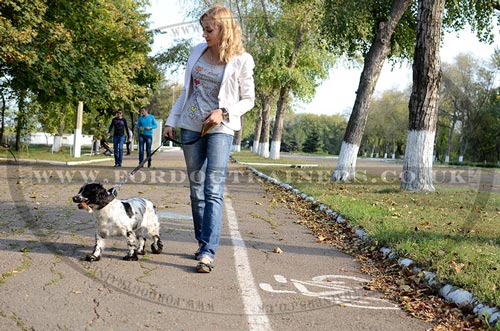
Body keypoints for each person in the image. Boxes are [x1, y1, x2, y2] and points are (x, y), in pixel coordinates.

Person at [163, 5, 255, 273]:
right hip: (190, 125)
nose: (204, 34)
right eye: (203, 29)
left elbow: (248, 99)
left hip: (220, 126)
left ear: (223, 30)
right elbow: (186, 91)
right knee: (196, 189)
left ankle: (207, 252)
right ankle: (202, 241)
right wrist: (171, 120)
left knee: (212, 190)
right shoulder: (196, 53)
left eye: (209, 29)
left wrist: (224, 112)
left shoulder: (241, 59)